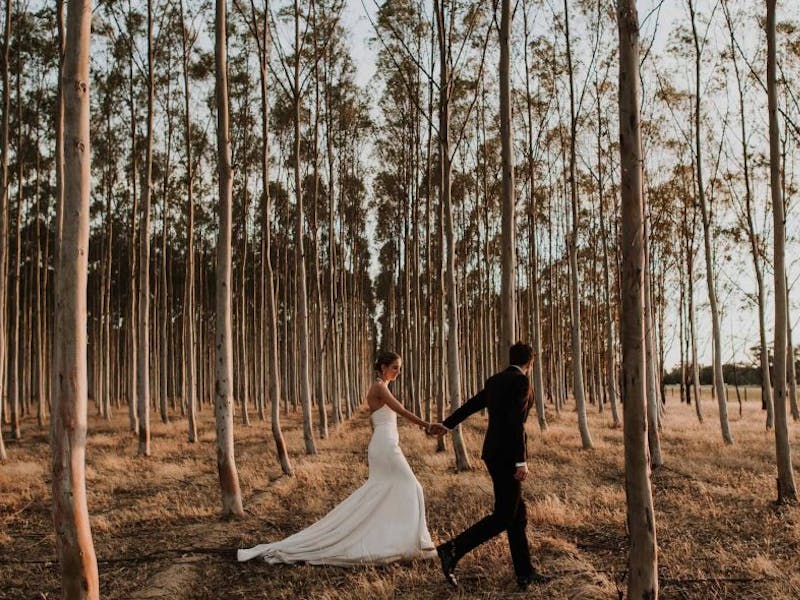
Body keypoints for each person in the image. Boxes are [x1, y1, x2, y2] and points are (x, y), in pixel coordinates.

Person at [238, 351, 437, 565]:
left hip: (385, 444)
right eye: (395, 367)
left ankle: (400, 540)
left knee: (391, 490)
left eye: (399, 368)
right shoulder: (379, 387)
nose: (398, 372)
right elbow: (402, 410)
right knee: (412, 486)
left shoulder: (382, 387)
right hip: (386, 447)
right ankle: (409, 541)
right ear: (383, 368)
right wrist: (427, 425)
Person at [429, 342, 547, 590]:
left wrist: (447, 424)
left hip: (492, 453)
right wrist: (521, 461)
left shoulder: (495, 380)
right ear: (531, 363)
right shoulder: (521, 382)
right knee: (504, 515)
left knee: (517, 515)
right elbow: (516, 424)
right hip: (507, 456)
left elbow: (474, 404)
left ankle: (525, 574)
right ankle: (452, 549)